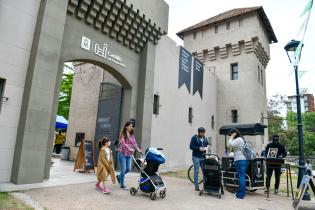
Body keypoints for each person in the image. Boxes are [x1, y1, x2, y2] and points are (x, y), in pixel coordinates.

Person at [116, 121, 142, 190]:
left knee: (128, 169)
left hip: (129, 154)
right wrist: (129, 148)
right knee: (123, 169)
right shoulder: (122, 134)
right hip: (122, 153)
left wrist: (138, 149)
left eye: (131, 126)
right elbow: (123, 143)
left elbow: (134, 143)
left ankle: (119, 177)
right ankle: (122, 184)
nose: (131, 127)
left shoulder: (131, 135)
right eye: (130, 126)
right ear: (126, 127)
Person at [228, 128, 249, 199]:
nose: (230, 136)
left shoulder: (238, 139)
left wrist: (231, 137)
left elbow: (229, 144)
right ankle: (240, 192)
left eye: (231, 134)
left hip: (240, 160)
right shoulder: (241, 139)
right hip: (244, 160)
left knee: (241, 177)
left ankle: (240, 195)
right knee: (242, 176)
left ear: (234, 133)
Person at [189, 127, 209, 191]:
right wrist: (199, 148)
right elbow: (191, 146)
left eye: (204, 133)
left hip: (203, 156)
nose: (203, 134)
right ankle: (196, 186)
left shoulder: (205, 138)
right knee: (196, 171)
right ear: (199, 132)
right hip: (196, 157)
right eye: (202, 133)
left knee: (204, 171)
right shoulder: (194, 138)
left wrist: (207, 147)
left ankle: (205, 185)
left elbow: (207, 145)